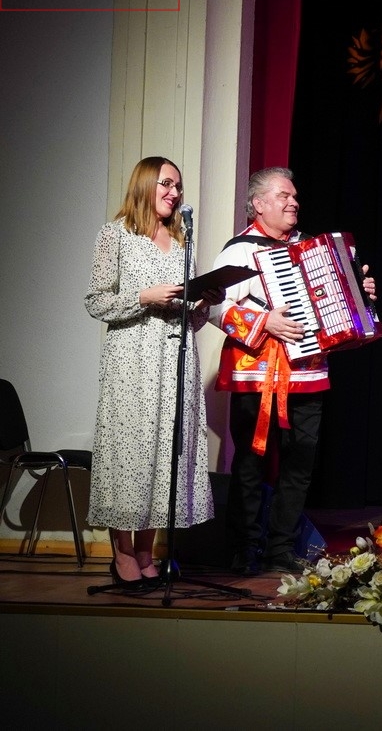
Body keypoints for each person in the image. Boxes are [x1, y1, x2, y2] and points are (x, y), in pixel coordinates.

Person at [209, 167, 376, 575]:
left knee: (299, 467)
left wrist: (361, 295)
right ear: (258, 204)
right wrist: (264, 321)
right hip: (257, 374)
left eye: (295, 196)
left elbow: (337, 305)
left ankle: (281, 547)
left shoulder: (312, 248)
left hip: (307, 371)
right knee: (250, 465)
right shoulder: (239, 250)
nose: (293, 202)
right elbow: (215, 307)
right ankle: (244, 547)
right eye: (284, 195)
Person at [85, 157, 221, 584]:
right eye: (166, 184)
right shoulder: (116, 235)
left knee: (163, 456)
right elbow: (96, 301)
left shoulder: (182, 243)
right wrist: (144, 296)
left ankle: (146, 552)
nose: (174, 193)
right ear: (145, 184)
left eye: (178, 186)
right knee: (129, 453)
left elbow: (191, 319)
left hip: (175, 361)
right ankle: (122, 553)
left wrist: (204, 302)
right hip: (132, 362)